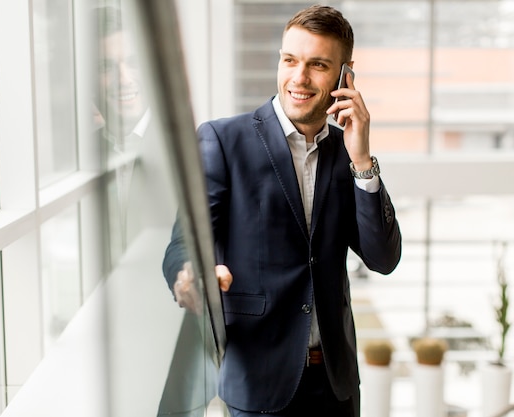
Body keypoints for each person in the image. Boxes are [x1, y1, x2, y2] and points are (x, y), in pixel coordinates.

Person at [163, 5, 402, 417]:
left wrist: (362, 159)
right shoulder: (223, 141)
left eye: (318, 65)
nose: (299, 78)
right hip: (259, 387)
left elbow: (383, 259)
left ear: (346, 75)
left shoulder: (346, 154)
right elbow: (184, 242)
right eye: (290, 60)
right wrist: (190, 277)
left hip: (335, 388)